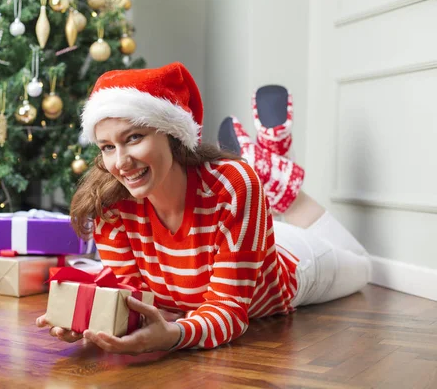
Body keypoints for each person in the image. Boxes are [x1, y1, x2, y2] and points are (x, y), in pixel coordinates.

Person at [36, 62, 371, 354]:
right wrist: (91, 319)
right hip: (239, 233)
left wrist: (173, 335)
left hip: (289, 266)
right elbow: (132, 299)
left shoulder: (233, 186)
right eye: (107, 147)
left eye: (134, 137)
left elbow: (229, 310)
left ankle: (284, 189)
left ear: (171, 134)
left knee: (364, 267)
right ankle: (274, 161)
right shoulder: (109, 203)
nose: (120, 162)